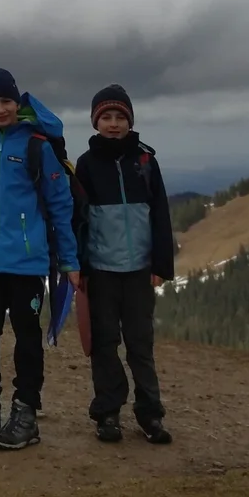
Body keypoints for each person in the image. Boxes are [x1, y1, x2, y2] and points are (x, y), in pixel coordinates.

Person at [0, 67, 81, 450]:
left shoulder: (37, 146)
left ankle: (25, 414)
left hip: (26, 263)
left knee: (27, 340)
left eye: (5, 101)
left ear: (16, 102)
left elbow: (60, 206)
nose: (0, 109)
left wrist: (69, 262)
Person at [76, 84, 174, 445]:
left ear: (130, 121)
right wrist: (80, 266)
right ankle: (108, 413)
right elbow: (80, 219)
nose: (113, 124)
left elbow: (160, 215)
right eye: (106, 118)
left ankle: (151, 415)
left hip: (139, 270)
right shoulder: (86, 165)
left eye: (120, 117)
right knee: (104, 344)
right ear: (95, 122)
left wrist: (160, 265)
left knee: (140, 344)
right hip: (101, 269)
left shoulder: (146, 160)